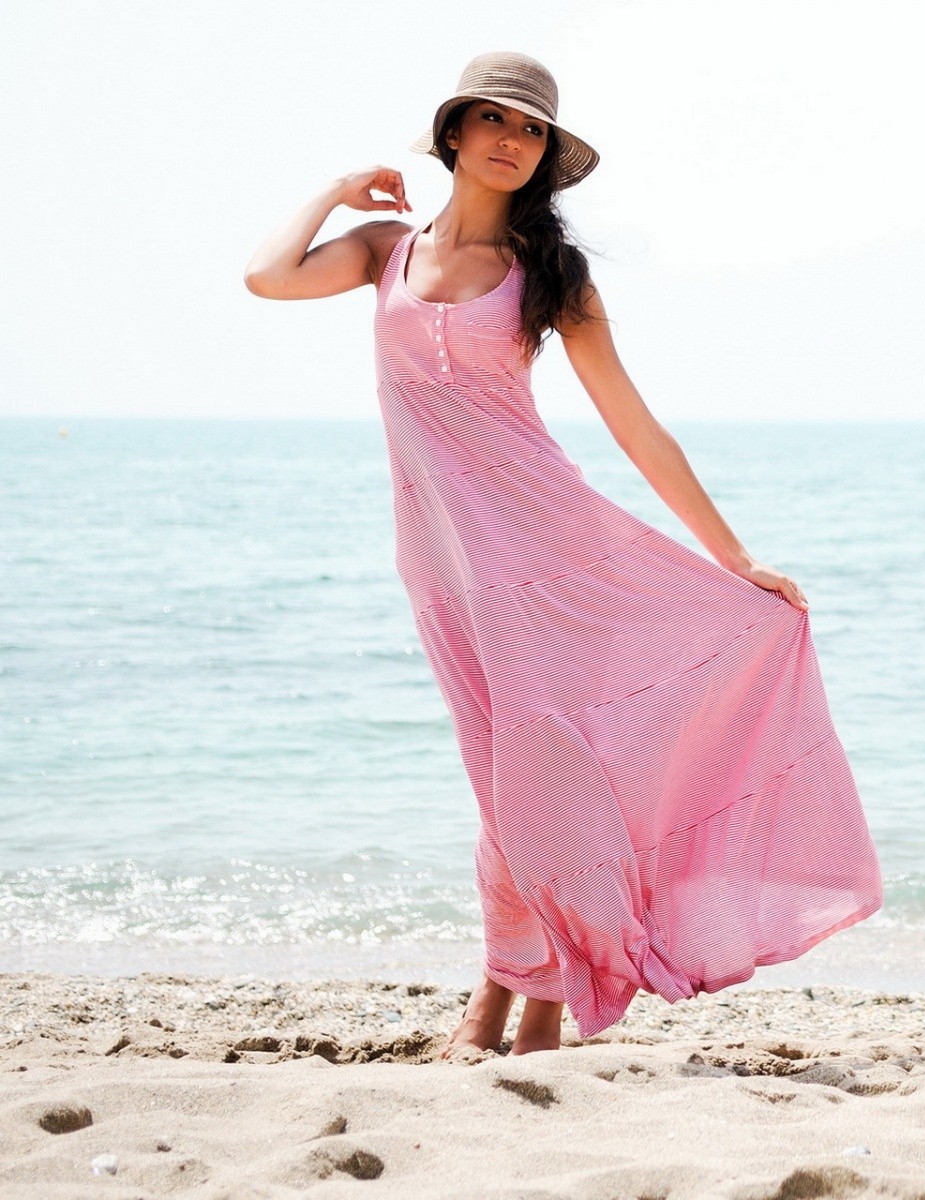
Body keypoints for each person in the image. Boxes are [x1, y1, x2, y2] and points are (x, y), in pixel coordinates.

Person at [243, 51, 884, 1058]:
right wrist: (333, 190)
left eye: (531, 128)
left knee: (535, 786)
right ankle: (522, 995)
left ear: (545, 154)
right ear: (453, 133)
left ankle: (519, 1006)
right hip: (443, 563)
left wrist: (733, 559)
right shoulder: (381, 251)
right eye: (493, 119)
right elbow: (265, 277)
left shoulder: (551, 276)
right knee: (502, 785)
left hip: (550, 551)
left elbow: (635, 427)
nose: (511, 139)